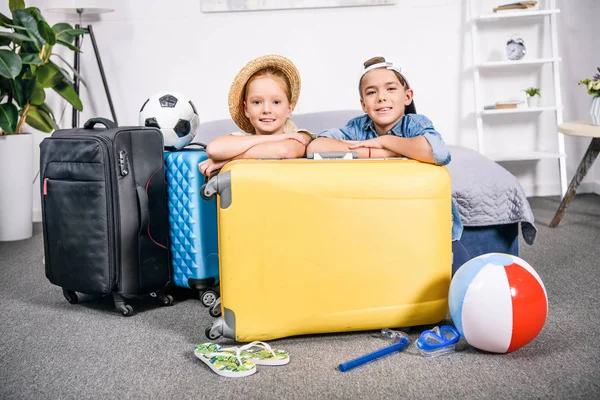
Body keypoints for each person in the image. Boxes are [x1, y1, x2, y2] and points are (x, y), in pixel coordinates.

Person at [307, 56, 469, 274]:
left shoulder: (414, 124)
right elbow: (316, 147)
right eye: (372, 92)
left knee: (459, 271)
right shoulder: (357, 128)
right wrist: (379, 153)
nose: (381, 98)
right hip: (377, 223)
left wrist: (385, 142)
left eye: (390, 89)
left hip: (425, 224)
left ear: (407, 96)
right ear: (363, 104)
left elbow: (437, 151)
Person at [199, 55, 313, 177]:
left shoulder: (299, 135)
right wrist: (274, 138)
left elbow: (284, 151)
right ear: (246, 109)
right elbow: (214, 149)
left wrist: (228, 160)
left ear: (289, 109)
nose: (266, 110)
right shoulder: (242, 139)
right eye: (257, 102)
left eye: (276, 102)